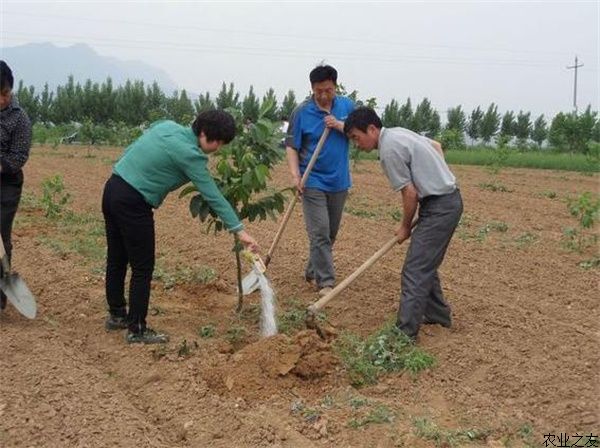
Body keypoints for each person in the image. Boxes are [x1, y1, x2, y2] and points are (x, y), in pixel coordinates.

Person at [102, 110, 258, 344]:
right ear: (203, 133)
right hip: (133, 203)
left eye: (222, 143)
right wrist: (240, 230)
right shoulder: (191, 155)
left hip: (113, 187)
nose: (217, 148)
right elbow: (213, 195)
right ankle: (137, 329)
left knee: (117, 257)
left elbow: (141, 142)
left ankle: (117, 315)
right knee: (143, 267)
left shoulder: (167, 126)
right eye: (216, 141)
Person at [344, 107, 463, 341]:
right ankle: (438, 315)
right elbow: (436, 146)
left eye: (356, 138)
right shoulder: (399, 133)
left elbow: (410, 193)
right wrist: (439, 177)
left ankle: (404, 334)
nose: (357, 145)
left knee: (415, 269)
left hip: (440, 207)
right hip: (444, 200)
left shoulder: (388, 150)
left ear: (372, 129)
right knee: (423, 263)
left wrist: (405, 226)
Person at [285, 64, 354, 296]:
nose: (324, 95)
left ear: (335, 86)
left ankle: (313, 270)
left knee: (330, 233)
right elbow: (292, 147)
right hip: (311, 179)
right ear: (312, 88)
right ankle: (326, 283)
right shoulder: (301, 112)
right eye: (318, 91)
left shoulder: (347, 106)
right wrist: (296, 176)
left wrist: (339, 125)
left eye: (328, 90)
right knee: (320, 231)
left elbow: (359, 133)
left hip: (339, 181)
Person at [0, 61, 32, 311]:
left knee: (0, 235)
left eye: (5, 94)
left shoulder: (19, 119)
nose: (2, 100)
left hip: (6, 185)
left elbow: (18, 157)